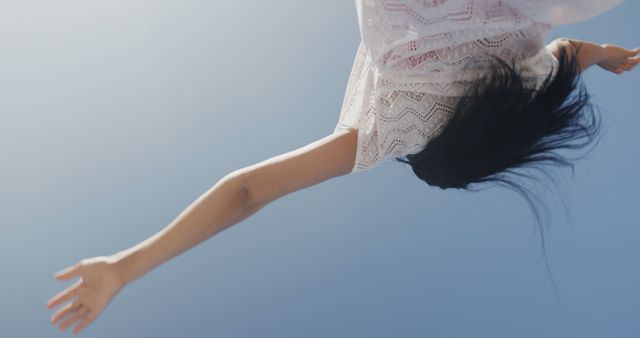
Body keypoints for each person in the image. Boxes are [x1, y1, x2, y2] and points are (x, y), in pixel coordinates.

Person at [46, 0, 638, 334]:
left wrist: (608, 56)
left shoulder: (517, 87)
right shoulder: (399, 131)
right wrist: (125, 268)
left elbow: (570, 55)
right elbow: (248, 191)